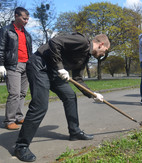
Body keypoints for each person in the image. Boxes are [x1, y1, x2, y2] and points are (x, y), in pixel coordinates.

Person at [14, 32, 110, 162]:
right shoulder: (81, 41)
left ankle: (74, 131)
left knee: (70, 96)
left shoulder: (85, 57)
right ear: (101, 44)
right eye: (105, 50)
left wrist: (92, 94)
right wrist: (60, 67)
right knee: (40, 105)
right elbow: (54, 42)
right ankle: (21, 146)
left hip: (54, 71)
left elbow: (78, 78)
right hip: (39, 66)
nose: (104, 54)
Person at [0, 7, 32, 130]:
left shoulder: (27, 34)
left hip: (26, 65)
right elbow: (1, 48)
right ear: (16, 16)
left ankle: (18, 117)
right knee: (14, 93)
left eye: (28, 19)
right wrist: (1, 65)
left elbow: (30, 51)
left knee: (23, 93)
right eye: (24, 18)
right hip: (13, 65)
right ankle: (9, 120)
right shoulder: (5, 30)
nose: (26, 21)